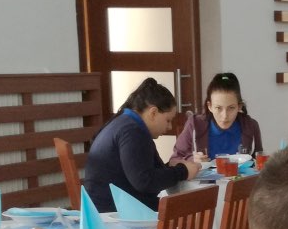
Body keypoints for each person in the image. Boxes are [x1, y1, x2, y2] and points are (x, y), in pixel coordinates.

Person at [83, 77, 200, 212]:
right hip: (113, 212)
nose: (169, 127)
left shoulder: (124, 122)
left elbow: (141, 171)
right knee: (191, 208)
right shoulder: (132, 131)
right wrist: (183, 171)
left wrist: (171, 167)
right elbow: (145, 181)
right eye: (168, 120)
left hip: (106, 206)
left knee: (182, 207)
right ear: (153, 113)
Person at [170, 71, 264, 162]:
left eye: (231, 108)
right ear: (209, 106)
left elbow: (258, 161)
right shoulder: (194, 124)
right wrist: (192, 160)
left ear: (239, 107)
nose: (225, 116)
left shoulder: (251, 126)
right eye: (218, 108)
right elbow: (173, 161)